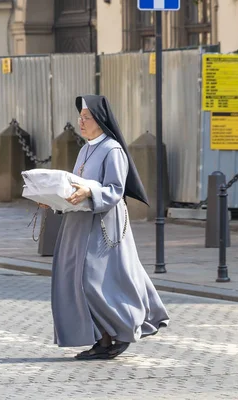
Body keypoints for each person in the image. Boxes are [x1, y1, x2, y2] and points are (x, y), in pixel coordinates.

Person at [47, 95, 170, 360]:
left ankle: (122, 331)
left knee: (96, 282)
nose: (81, 121)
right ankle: (102, 340)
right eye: (79, 116)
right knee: (78, 280)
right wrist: (53, 197)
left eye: (86, 117)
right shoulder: (85, 148)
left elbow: (115, 189)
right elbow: (76, 186)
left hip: (104, 225)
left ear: (100, 121)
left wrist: (89, 190)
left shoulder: (112, 149)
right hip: (80, 223)